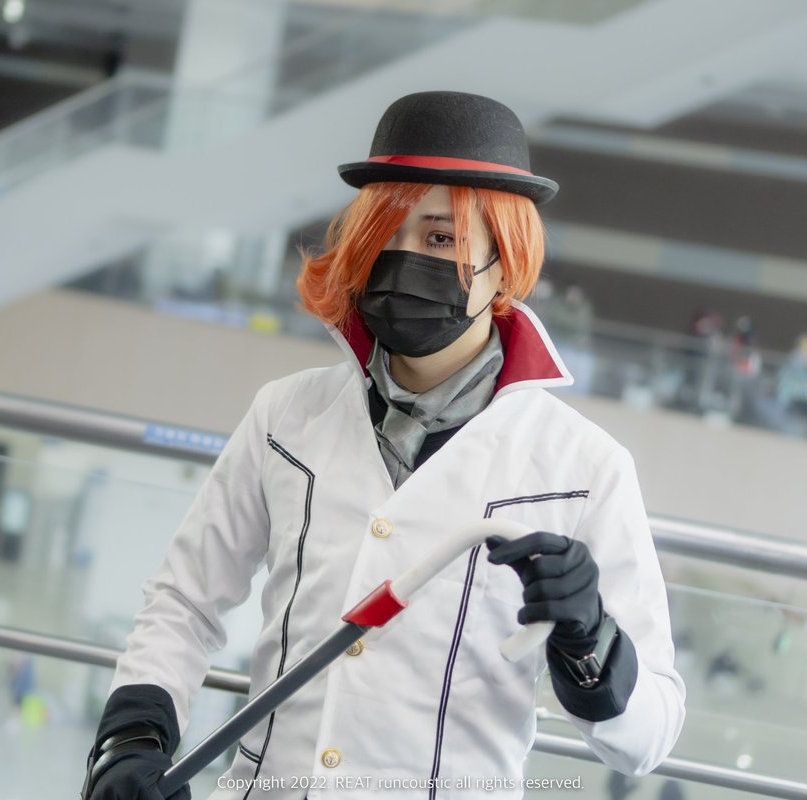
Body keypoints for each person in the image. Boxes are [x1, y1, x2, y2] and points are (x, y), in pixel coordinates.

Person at [80, 91, 686, 799]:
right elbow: (185, 601)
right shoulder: (286, 415)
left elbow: (649, 738)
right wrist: (132, 738)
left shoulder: (583, 468)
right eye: (384, 234)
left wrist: (589, 637)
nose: (403, 259)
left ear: (506, 260)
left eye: (440, 238)